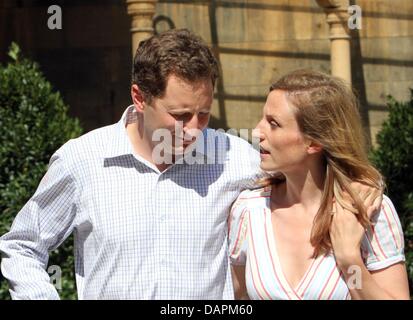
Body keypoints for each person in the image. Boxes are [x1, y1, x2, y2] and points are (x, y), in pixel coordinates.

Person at [0, 29, 380, 300]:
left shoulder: (237, 158)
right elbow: (22, 246)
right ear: (140, 97)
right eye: (180, 115)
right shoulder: (83, 160)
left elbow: (309, 163)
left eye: (204, 113)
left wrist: (359, 185)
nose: (195, 129)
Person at [229, 69, 410, 300]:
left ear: (313, 142)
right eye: (263, 118)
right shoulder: (249, 211)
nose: (257, 131)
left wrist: (349, 260)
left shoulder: (369, 211)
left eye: (273, 123)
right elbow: (234, 296)